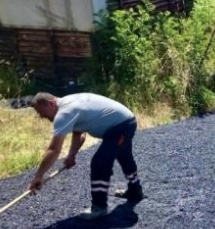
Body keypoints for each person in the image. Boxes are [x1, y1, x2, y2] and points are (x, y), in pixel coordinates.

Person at [28, 92, 143, 220]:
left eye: (41, 111)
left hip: (120, 127)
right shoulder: (68, 102)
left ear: (50, 103)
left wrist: (38, 176)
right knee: (124, 156)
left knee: (100, 163)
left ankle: (99, 207)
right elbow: (79, 132)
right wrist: (72, 155)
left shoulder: (64, 113)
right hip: (126, 121)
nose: (41, 116)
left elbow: (54, 149)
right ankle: (135, 191)